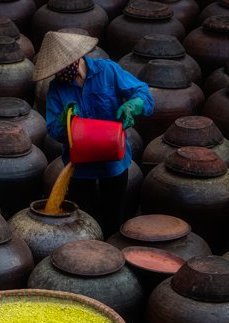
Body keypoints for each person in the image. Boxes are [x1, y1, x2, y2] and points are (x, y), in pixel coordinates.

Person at [36, 31, 155, 235]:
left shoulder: (108, 70)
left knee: (113, 216)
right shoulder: (57, 88)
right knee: (83, 219)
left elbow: (143, 92)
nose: (58, 73)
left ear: (75, 57)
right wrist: (64, 121)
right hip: (80, 166)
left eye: (61, 67)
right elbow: (53, 131)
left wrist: (133, 105)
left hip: (113, 161)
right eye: (55, 70)